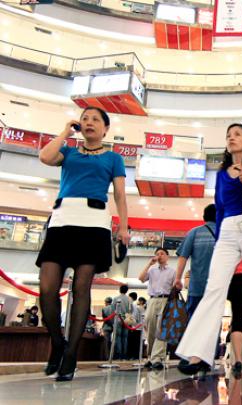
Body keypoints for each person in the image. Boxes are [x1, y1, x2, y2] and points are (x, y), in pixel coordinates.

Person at [176, 123, 242, 381]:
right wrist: (219, 239)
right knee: (214, 289)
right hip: (227, 231)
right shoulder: (223, 173)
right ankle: (196, 353)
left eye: (237, 134)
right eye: (228, 135)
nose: (231, 138)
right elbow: (220, 206)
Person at [36, 107, 129, 381]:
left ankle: (71, 354)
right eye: (85, 118)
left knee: (81, 287)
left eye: (95, 120)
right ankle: (57, 342)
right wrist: (66, 130)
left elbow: (121, 195)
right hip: (62, 219)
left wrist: (123, 227)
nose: (88, 123)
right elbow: (44, 156)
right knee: (47, 288)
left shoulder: (114, 158)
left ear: (105, 129)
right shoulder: (69, 152)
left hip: (94, 222)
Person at [173, 204, 217, 319]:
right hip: (217, 288)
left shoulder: (194, 232)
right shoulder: (223, 233)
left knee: (192, 322)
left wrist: (178, 278)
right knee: (213, 322)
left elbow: (183, 257)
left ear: (204, 217)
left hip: (196, 287)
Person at [138, 247, 175, 370]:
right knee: (151, 327)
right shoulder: (152, 270)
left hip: (166, 300)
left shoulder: (172, 271)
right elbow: (141, 278)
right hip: (152, 300)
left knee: (161, 328)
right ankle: (150, 356)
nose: (159, 256)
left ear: (167, 256)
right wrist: (149, 263)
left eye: (162, 254)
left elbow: (175, 287)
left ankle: (158, 358)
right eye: (157, 254)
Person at [112, 284, 132, 360]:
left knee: (118, 337)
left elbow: (113, 309)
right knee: (125, 337)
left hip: (118, 319)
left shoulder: (116, 298)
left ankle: (118, 354)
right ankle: (124, 354)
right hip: (126, 319)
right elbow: (131, 310)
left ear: (120, 290)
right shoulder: (129, 299)